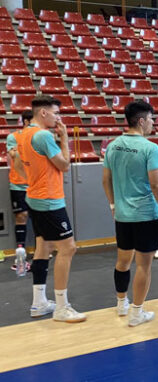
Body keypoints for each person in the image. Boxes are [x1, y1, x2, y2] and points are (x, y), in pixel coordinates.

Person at [102, 100, 158, 327]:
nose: (153, 124)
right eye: (151, 119)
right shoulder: (150, 148)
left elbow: (106, 179)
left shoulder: (112, 146)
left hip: (122, 215)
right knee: (144, 266)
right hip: (145, 215)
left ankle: (121, 304)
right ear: (141, 121)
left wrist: (113, 205)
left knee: (123, 261)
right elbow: (157, 185)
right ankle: (137, 313)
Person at [16, 95, 85, 322]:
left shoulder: (24, 133)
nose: (58, 118)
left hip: (35, 197)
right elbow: (64, 165)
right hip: (49, 201)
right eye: (56, 113)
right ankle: (62, 307)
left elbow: (17, 164)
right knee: (68, 249)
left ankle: (39, 303)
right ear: (43, 113)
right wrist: (65, 139)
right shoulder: (44, 135)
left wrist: (34, 179)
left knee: (42, 248)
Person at [5, 110, 32, 268]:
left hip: (37, 184)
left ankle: (41, 255)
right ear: (26, 122)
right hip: (18, 184)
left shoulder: (40, 137)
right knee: (21, 217)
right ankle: (20, 255)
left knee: (39, 218)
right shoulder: (13, 137)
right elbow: (14, 154)